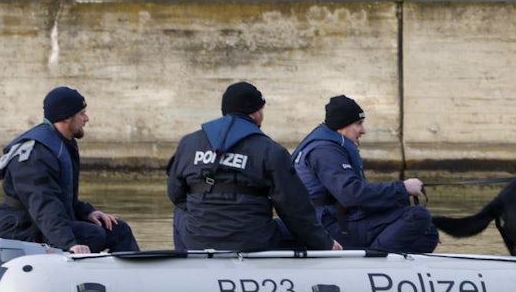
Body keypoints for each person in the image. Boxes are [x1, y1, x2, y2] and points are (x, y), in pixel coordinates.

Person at [167, 81, 341, 253]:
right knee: (295, 227)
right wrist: (324, 244)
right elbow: (294, 209)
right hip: (252, 241)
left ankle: (186, 263)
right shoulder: (271, 150)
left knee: (181, 214)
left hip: (197, 239)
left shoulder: (188, 143)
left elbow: (176, 194)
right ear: (255, 113)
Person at [0, 87, 140, 255]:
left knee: (118, 229)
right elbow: (43, 205)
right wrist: (69, 243)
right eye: (82, 113)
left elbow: (62, 196)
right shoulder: (35, 154)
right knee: (93, 235)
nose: (86, 119)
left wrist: (88, 212)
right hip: (22, 228)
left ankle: (132, 276)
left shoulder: (63, 143)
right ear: (67, 118)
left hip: (46, 223)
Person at [292, 94, 439, 253]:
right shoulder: (325, 152)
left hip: (337, 221)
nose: (363, 131)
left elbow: (357, 197)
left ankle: (400, 268)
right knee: (419, 216)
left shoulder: (329, 147)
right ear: (342, 126)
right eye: (358, 124)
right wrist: (403, 188)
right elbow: (351, 195)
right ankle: (371, 264)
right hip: (327, 227)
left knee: (428, 231)